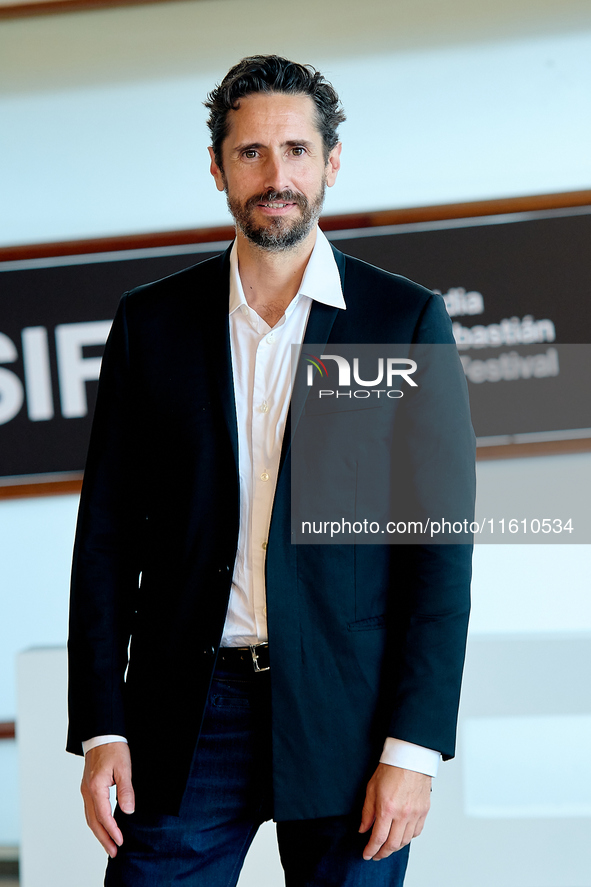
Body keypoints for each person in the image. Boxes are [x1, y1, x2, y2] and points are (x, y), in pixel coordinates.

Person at [67, 55, 475, 886]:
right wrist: (103, 724)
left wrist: (415, 747)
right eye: (251, 152)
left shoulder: (401, 322)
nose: (275, 174)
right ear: (217, 168)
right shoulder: (152, 325)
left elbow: (439, 549)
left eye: (295, 150)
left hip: (347, 718)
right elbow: (105, 539)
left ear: (330, 164)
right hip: (185, 714)